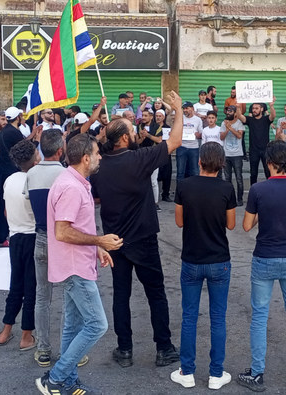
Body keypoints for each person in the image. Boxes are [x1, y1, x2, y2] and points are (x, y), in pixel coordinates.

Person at [90, 91, 184, 369]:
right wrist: (177, 110)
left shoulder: (100, 166)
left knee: (121, 295)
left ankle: (125, 349)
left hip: (114, 240)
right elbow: (176, 141)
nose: (137, 132)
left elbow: (94, 198)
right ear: (123, 138)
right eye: (132, 130)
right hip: (142, 239)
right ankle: (163, 348)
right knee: (156, 293)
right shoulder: (139, 159)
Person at [35, 133, 122, 395]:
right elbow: (62, 231)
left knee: (72, 326)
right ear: (85, 158)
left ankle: (67, 382)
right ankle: (56, 378)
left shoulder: (75, 182)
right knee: (97, 324)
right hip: (74, 267)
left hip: (77, 263)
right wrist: (99, 240)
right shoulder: (72, 187)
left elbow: (75, 225)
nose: (99, 157)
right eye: (96, 153)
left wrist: (96, 248)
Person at [238, 140, 286, 392]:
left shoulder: (259, 190)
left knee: (259, 316)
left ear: (269, 163)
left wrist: (262, 214)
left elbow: (247, 226)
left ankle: (257, 372)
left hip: (264, 257)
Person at [170, 142, 236, 390]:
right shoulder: (227, 188)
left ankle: (187, 371)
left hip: (191, 259)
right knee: (218, 318)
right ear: (221, 164)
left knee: (189, 316)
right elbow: (231, 225)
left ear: (199, 161)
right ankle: (216, 374)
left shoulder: (185, 186)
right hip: (219, 259)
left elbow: (178, 221)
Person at [24, 128, 68, 366]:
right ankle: (69, 349)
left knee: (43, 296)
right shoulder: (67, 175)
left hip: (41, 236)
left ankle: (43, 348)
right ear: (60, 151)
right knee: (70, 295)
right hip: (64, 240)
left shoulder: (31, 174)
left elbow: (28, 201)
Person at [0, 140, 40, 350]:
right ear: (34, 159)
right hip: (32, 237)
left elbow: (5, 211)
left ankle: (5, 331)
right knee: (30, 288)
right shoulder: (35, 180)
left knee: (15, 286)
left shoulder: (9, 180)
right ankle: (26, 336)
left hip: (15, 237)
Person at [0, 107, 41, 248]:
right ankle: (4, 235)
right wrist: (37, 140)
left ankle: (3, 234)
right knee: (12, 205)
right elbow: (25, 150)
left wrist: (33, 134)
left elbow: (22, 143)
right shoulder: (13, 132)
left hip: (5, 171)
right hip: (11, 171)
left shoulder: (8, 131)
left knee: (4, 204)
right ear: (18, 117)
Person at [236, 98, 276, 186]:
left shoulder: (266, 119)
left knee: (268, 172)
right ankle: (253, 190)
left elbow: (272, 116)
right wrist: (238, 107)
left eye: (256, 108)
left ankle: (270, 190)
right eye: (253, 108)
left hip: (266, 150)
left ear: (261, 109)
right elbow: (240, 117)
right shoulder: (250, 120)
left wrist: (271, 106)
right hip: (253, 151)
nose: (254, 110)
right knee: (253, 173)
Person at [221, 105, 245, 205]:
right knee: (227, 178)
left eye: (230, 111)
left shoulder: (239, 123)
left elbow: (239, 136)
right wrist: (226, 128)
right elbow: (222, 137)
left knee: (239, 178)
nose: (228, 113)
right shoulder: (224, 123)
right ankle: (230, 198)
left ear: (235, 113)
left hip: (237, 155)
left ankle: (239, 199)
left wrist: (230, 128)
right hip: (226, 154)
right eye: (227, 111)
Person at [177, 101, 203, 181]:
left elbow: (201, 134)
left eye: (187, 108)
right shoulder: (180, 118)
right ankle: (180, 192)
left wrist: (197, 134)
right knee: (180, 172)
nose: (185, 110)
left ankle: (195, 192)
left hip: (194, 148)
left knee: (194, 171)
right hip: (181, 147)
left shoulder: (198, 120)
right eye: (183, 109)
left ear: (192, 108)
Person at [153, 109, 173, 202]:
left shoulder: (167, 127)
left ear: (164, 117)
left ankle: (165, 194)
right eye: (156, 116)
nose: (158, 117)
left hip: (165, 151)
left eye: (160, 116)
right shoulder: (153, 127)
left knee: (167, 173)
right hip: (154, 152)